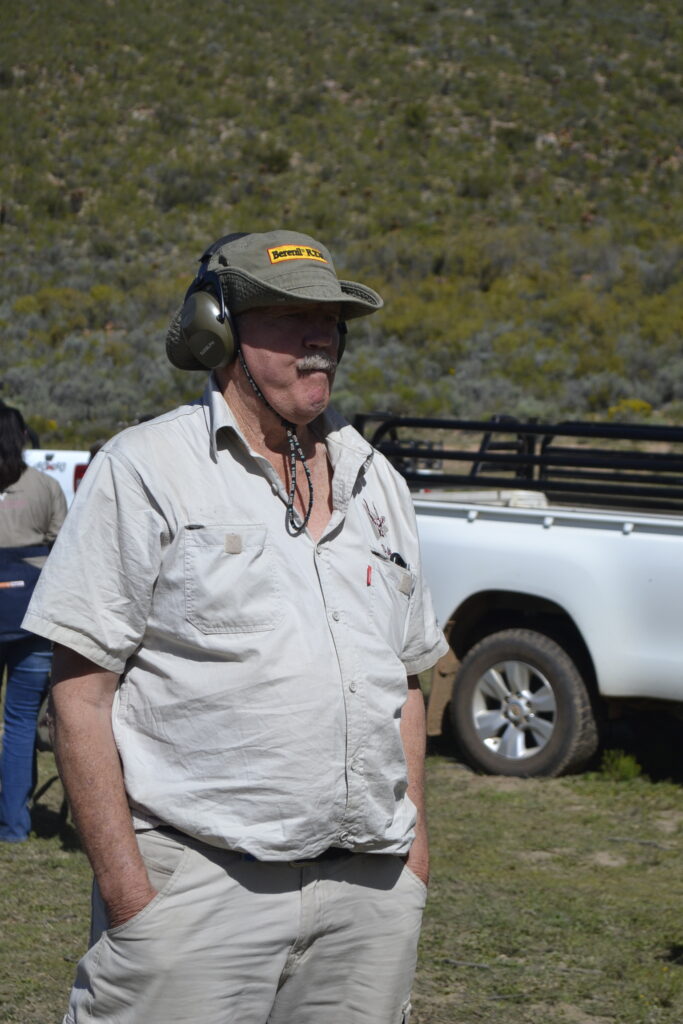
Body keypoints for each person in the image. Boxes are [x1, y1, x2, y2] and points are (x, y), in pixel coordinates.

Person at [24, 230, 448, 1023]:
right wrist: (130, 893)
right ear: (215, 328)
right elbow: (81, 693)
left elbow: (407, 679)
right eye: (291, 317)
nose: (320, 339)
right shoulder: (145, 468)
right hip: (198, 893)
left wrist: (412, 858)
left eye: (330, 321)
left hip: (368, 897)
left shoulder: (377, 481)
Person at [0, 406, 67, 842]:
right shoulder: (45, 486)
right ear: (22, 435)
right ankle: (14, 824)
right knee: (22, 721)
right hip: (31, 615)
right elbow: (66, 546)